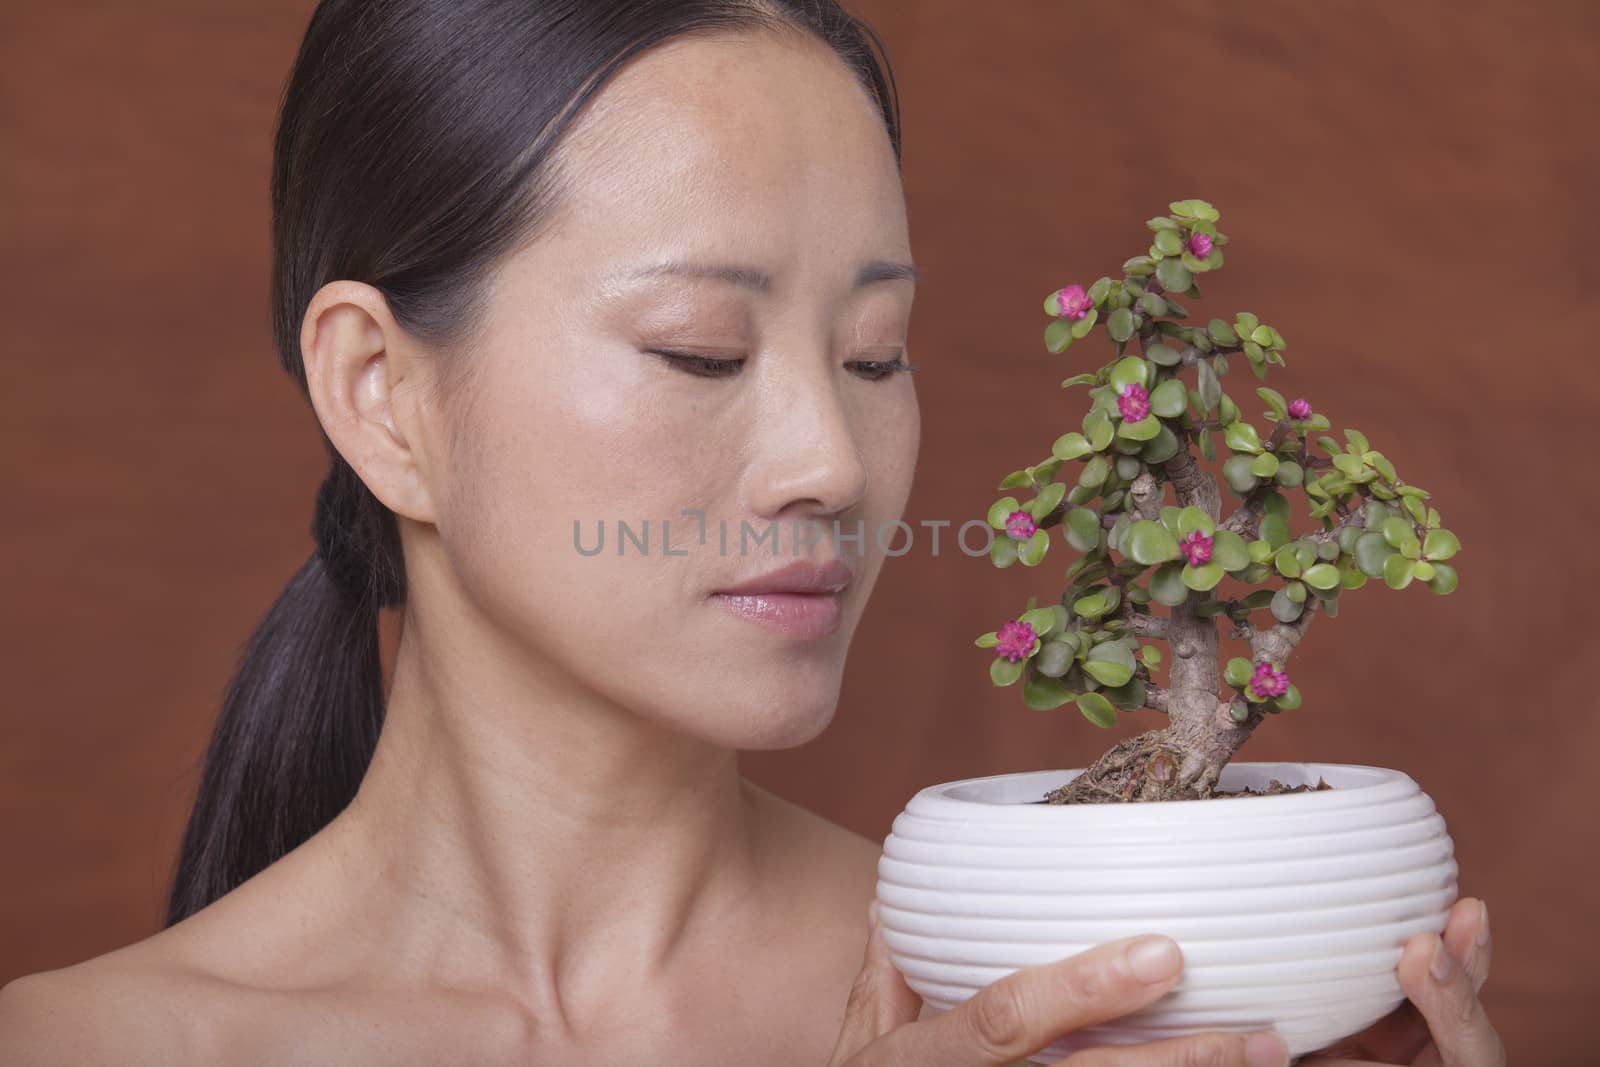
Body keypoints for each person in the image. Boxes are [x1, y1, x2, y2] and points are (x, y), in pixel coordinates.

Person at [0, 2, 1505, 1064]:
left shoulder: (1075, 1003)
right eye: (701, 351)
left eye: (873, 355)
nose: (827, 463)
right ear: (382, 395)